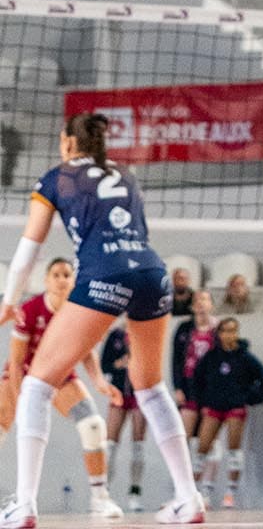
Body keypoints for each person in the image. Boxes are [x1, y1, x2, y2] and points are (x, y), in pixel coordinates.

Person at [0, 110, 204, 529]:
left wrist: (9, 300)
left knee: (36, 385)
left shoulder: (56, 178)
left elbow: (27, 251)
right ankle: (189, 499)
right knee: (151, 387)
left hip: (103, 275)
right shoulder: (125, 174)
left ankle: (24, 505)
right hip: (153, 274)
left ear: (68, 143)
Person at [0, 257, 122, 520]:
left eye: (66, 274)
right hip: (23, 374)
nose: (61, 280)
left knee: (93, 425)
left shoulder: (79, 312)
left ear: (73, 280)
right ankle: (21, 502)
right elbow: (17, 360)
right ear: (46, 280)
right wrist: (21, 399)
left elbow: (87, 351)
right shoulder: (30, 309)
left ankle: (100, 498)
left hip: (59, 376)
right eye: (55, 274)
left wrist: (99, 382)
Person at [190, 316, 263, 507]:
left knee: (234, 448)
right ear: (219, 334)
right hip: (214, 406)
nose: (229, 335)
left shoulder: (245, 357)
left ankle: (230, 492)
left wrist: (249, 398)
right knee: (202, 448)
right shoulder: (211, 357)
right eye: (225, 331)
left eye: (233, 331)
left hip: (235, 407)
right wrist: (203, 401)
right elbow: (196, 379)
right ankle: (196, 491)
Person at [101, 319, 148, 513]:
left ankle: (135, 493)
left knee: (138, 444)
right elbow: (104, 364)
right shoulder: (116, 335)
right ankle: (103, 493)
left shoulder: (145, 330)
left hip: (140, 393)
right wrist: (118, 365)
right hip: (119, 392)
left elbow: (152, 361)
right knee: (110, 444)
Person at [171, 289, 217, 442]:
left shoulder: (218, 329)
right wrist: (178, 387)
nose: (200, 303)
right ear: (192, 306)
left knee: (207, 438)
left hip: (210, 385)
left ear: (211, 305)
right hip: (189, 383)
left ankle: (205, 457)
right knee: (184, 434)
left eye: (204, 299)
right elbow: (176, 360)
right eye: (197, 300)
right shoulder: (184, 328)